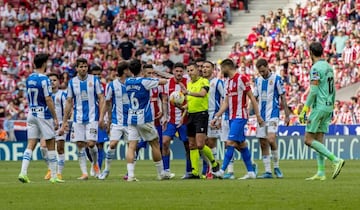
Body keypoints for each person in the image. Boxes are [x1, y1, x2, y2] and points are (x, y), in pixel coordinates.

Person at [299, 42, 345, 180]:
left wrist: (305, 109)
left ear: (310, 53)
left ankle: (336, 160)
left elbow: (313, 91)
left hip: (318, 107)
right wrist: (332, 107)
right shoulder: (328, 67)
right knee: (319, 139)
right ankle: (321, 172)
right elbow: (334, 88)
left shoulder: (315, 68)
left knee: (308, 139)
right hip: (328, 106)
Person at [211, 59, 263, 180]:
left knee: (230, 143)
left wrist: (258, 115)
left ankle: (222, 171)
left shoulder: (242, 78)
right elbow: (226, 102)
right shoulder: (228, 82)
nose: (220, 71)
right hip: (231, 117)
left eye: (221, 68)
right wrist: (217, 116)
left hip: (240, 116)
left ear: (227, 67)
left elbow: (252, 98)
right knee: (242, 144)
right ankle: (251, 171)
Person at [59, 58, 106, 180]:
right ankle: (84, 173)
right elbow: (69, 101)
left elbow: (101, 98)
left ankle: (95, 164)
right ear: (77, 69)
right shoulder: (72, 82)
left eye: (85, 66)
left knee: (90, 143)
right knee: (80, 144)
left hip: (92, 117)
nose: (83, 68)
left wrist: (101, 117)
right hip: (78, 118)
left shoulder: (94, 80)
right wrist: (65, 121)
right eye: (81, 66)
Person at [18, 53, 62, 183]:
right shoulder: (44, 79)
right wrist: (55, 117)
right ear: (44, 64)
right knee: (51, 143)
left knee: (30, 144)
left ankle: (23, 172)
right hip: (43, 113)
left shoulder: (29, 78)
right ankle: (54, 176)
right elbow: (48, 99)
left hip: (31, 113)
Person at [125, 59, 169, 181]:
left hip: (131, 117)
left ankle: (131, 175)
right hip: (144, 118)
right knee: (154, 143)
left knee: (131, 146)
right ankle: (161, 173)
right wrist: (157, 72)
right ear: (141, 69)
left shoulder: (127, 82)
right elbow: (165, 81)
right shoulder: (145, 81)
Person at [180, 62, 220, 179]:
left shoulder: (204, 81)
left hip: (201, 115)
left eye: (191, 70)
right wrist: (183, 109)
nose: (189, 73)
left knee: (200, 144)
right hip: (191, 115)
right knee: (191, 145)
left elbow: (202, 94)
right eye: (188, 71)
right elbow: (190, 101)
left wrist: (188, 92)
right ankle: (195, 172)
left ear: (197, 70)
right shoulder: (189, 84)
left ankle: (214, 163)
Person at [253, 58, 290, 179]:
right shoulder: (257, 80)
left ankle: (276, 167)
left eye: (263, 71)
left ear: (267, 67)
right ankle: (268, 171)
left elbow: (282, 97)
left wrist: (287, 114)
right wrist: (248, 113)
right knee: (263, 143)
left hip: (273, 114)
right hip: (261, 116)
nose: (262, 74)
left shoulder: (276, 79)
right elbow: (254, 98)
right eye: (260, 72)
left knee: (271, 139)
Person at [98, 61, 130, 180]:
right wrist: (103, 118)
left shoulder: (131, 83)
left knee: (131, 146)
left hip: (130, 121)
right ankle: (106, 170)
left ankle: (129, 172)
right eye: (128, 69)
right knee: (112, 144)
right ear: (125, 71)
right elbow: (107, 103)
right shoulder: (112, 85)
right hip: (117, 121)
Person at [162, 62, 191, 179]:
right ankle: (166, 171)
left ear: (183, 72)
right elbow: (164, 100)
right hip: (171, 120)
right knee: (164, 142)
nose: (178, 73)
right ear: (173, 72)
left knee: (187, 145)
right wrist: (164, 116)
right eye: (176, 71)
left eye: (180, 71)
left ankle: (189, 171)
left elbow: (190, 100)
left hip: (185, 120)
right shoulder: (167, 84)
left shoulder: (188, 83)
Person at [201, 60, 224, 179]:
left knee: (211, 142)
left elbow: (225, 98)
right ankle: (213, 167)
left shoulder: (217, 82)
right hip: (201, 115)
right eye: (203, 67)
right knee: (203, 143)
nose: (204, 69)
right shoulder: (200, 82)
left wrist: (219, 117)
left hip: (213, 114)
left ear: (213, 69)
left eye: (207, 67)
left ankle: (214, 169)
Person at [43, 73, 67, 181]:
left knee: (60, 149)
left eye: (54, 80)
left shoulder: (62, 94)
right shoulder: (44, 95)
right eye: (50, 80)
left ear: (58, 82)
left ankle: (59, 173)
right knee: (43, 147)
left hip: (60, 124)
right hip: (47, 124)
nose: (52, 82)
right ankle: (50, 169)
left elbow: (68, 109)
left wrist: (65, 124)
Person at [87, 65, 109, 175]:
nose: (97, 76)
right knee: (88, 144)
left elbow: (108, 102)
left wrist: (105, 118)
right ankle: (93, 163)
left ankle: (98, 169)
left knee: (100, 144)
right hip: (88, 118)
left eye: (98, 74)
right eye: (94, 74)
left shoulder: (105, 86)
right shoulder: (86, 85)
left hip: (101, 118)